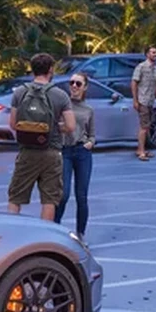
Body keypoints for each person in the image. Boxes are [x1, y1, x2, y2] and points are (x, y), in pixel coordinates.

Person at [8, 52, 75, 221]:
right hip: (51, 151)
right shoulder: (60, 95)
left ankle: (10, 232)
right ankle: (44, 237)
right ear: (50, 70)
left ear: (32, 70)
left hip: (27, 151)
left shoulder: (20, 92)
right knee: (49, 199)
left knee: (16, 197)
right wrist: (55, 128)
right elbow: (71, 126)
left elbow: (13, 123)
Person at [57, 72, 97, 243]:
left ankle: (81, 234)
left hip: (82, 152)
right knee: (63, 194)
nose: (74, 86)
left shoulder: (89, 110)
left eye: (78, 84)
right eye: (72, 83)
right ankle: (55, 229)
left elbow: (93, 134)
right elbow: (54, 127)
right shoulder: (63, 106)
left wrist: (90, 142)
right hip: (65, 151)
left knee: (81, 196)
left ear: (85, 87)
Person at [132, 46, 156, 161]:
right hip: (143, 101)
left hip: (150, 101)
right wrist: (135, 100)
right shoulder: (141, 67)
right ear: (147, 54)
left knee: (147, 126)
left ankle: (142, 149)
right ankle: (140, 151)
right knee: (144, 127)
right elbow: (134, 83)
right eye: (153, 52)